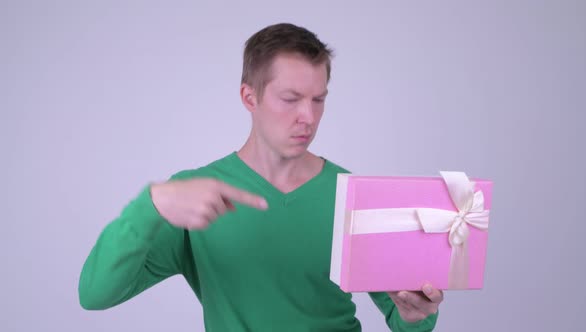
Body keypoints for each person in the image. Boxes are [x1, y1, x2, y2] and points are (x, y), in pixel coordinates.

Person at [78, 22, 443, 331]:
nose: (309, 116)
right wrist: (152, 203)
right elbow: (96, 294)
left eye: (318, 99)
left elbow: (403, 315)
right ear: (249, 97)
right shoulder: (193, 196)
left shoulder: (353, 193)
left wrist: (418, 313)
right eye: (291, 98)